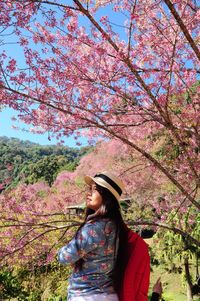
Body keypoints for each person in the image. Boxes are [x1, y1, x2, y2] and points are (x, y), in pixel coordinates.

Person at [58, 171, 150, 301]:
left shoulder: (93, 229)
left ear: (106, 196)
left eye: (95, 190)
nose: (88, 193)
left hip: (86, 295)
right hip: (110, 295)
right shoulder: (117, 228)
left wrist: (61, 251)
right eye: (90, 189)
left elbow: (65, 257)